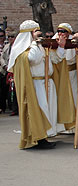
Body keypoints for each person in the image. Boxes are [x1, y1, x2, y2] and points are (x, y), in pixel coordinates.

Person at [8, 20, 58, 149]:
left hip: (42, 81)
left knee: (44, 110)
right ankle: (38, 139)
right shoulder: (23, 49)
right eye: (35, 31)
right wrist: (35, 43)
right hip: (33, 83)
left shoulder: (35, 45)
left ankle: (43, 136)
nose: (39, 34)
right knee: (37, 110)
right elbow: (33, 59)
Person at [52, 23, 78, 133]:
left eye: (64, 31)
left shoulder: (74, 42)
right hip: (60, 76)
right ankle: (63, 127)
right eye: (59, 31)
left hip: (73, 74)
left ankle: (76, 125)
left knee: (75, 97)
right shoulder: (54, 43)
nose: (61, 33)